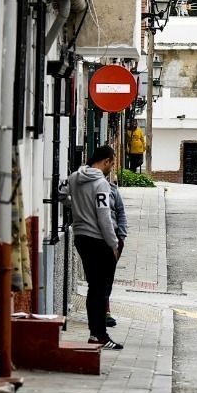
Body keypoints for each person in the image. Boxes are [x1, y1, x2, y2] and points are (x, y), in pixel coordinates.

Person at [67, 145, 123, 349]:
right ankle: (98, 335)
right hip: (99, 240)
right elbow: (104, 216)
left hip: (81, 236)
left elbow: (61, 193)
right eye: (112, 163)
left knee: (94, 287)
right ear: (106, 161)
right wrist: (113, 243)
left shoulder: (74, 177)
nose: (111, 168)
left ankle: (96, 334)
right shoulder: (101, 183)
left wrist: (76, 209)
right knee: (100, 290)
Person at [104, 169, 129, 329]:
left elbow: (121, 212)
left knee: (108, 276)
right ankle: (103, 311)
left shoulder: (113, 190)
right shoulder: (89, 188)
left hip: (115, 238)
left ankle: (104, 310)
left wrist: (122, 236)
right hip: (98, 239)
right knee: (99, 278)